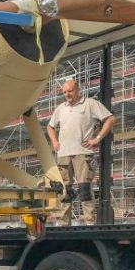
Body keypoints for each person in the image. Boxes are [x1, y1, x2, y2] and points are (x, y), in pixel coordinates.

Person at [46, 78, 115, 226]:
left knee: (84, 189)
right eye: (64, 92)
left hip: (82, 153)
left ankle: (89, 222)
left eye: (70, 91)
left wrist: (97, 138)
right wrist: (55, 142)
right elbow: (50, 127)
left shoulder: (89, 104)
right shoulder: (60, 108)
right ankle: (63, 224)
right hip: (63, 154)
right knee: (64, 190)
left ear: (78, 90)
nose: (67, 94)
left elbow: (110, 119)